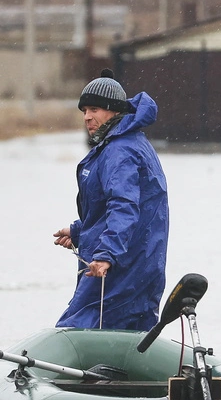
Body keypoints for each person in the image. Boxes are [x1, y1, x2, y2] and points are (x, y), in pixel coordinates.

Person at [52, 69, 169, 330]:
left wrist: (106, 255)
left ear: (114, 110)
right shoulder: (124, 144)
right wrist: (79, 230)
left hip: (121, 267)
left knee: (75, 329)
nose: (87, 117)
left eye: (94, 109)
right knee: (127, 334)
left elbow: (124, 207)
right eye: (84, 111)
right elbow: (113, 209)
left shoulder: (120, 151)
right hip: (136, 263)